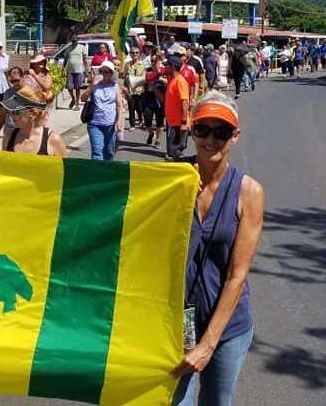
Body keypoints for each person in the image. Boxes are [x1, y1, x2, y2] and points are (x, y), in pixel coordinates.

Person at [172, 91, 265, 406]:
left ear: (235, 136)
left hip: (226, 329)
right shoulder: (171, 180)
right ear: (191, 129)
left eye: (221, 132)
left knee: (216, 402)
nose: (210, 140)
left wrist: (208, 344)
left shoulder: (248, 192)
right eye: (203, 130)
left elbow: (237, 275)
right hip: (177, 322)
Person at [1, 86, 69, 157]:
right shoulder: (9, 137)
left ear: (33, 113)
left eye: (17, 112)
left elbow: (66, 167)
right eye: (10, 111)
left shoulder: (53, 140)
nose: (12, 116)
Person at [81, 60, 123, 161]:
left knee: (109, 153)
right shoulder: (95, 85)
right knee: (97, 153)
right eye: (102, 71)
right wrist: (92, 86)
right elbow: (83, 99)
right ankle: (97, 175)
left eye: (107, 72)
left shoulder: (115, 86)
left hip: (110, 124)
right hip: (95, 124)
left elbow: (119, 106)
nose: (104, 74)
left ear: (111, 73)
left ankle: (108, 175)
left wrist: (119, 121)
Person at [163, 54, 191, 161]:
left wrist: (183, 123)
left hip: (179, 124)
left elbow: (185, 102)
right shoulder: (172, 79)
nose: (166, 67)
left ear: (173, 66)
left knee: (176, 151)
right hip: (173, 123)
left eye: (167, 65)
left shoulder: (180, 81)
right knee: (172, 152)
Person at [142, 55, 166, 147]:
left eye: (156, 60)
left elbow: (169, 81)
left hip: (160, 98)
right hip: (149, 97)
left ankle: (158, 139)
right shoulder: (147, 70)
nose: (154, 62)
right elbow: (142, 80)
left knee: (160, 121)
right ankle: (151, 133)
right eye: (152, 60)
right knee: (147, 119)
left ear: (159, 61)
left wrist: (161, 79)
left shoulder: (164, 70)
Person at [124, 46, 147, 129]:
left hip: (140, 90)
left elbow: (144, 78)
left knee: (139, 107)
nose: (135, 54)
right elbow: (125, 77)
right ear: (130, 54)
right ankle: (132, 124)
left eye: (137, 52)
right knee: (131, 107)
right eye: (133, 53)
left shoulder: (142, 65)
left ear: (139, 54)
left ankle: (141, 120)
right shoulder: (127, 65)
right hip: (130, 91)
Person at [64, 39, 87, 110]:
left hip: (79, 71)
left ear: (77, 41)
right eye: (73, 41)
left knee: (77, 88)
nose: (74, 43)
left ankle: (77, 104)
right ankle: (73, 99)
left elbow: (84, 59)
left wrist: (86, 69)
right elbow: (65, 59)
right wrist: (63, 69)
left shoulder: (82, 47)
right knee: (69, 87)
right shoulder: (68, 48)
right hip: (70, 71)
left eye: (75, 41)